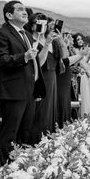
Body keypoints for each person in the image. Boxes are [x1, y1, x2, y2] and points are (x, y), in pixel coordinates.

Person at [0, 1, 46, 165]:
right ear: (9, 15)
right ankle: (7, 168)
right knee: (10, 132)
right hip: (14, 90)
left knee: (26, 131)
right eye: (20, 9)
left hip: (29, 90)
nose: (25, 12)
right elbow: (2, 60)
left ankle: (22, 165)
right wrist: (23, 57)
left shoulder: (27, 35)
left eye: (25, 9)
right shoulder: (2, 34)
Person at [26, 14, 60, 142]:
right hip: (40, 79)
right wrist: (46, 44)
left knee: (50, 112)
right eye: (37, 22)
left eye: (44, 23)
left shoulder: (51, 41)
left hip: (52, 79)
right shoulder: (31, 41)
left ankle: (48, 141)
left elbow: (61, 60)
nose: (41, 25)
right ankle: (36, 142)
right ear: (32, 24)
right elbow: (39, 63)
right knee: (39, 113)